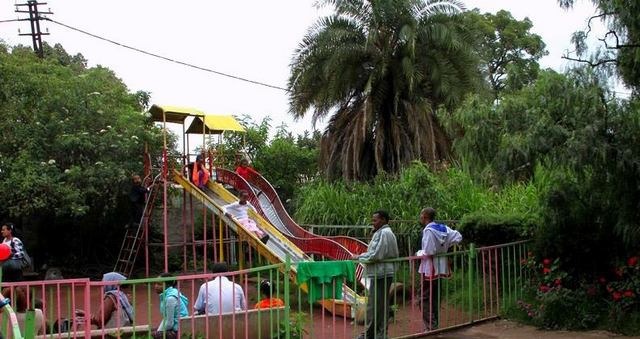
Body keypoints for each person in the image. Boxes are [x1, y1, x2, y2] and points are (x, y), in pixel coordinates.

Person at [352, 210, 399, 339]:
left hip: (382, 273)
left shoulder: (384, 233)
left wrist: (359, 256)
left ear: (383, 220)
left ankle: (376, 334)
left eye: (375, 220)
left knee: (377, 305)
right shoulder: (382, 232)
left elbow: (376, 254)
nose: (373, 223)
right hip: (380, 272)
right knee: (377, 304)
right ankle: (374, 333)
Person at [416, 207, 462, 331]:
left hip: (429, 267)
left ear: (425, 217)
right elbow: (458, 237)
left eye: (421, 215)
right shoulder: (443, 228)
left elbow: (429, 251)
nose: (420, 218)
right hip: (440, 265)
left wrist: (419, 253)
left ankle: (430, 326)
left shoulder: (429, 230)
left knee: (424, 296)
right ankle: (434, 323)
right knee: (434, 295)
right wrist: (445, 247)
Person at [153, 273, 189, 339]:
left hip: (179, 330)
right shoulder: (170, 293)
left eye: (159, 284)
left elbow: (169, 323)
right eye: (155, 283)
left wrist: (158, 332)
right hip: (177, 327)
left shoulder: (170, 298)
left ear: (168, 285)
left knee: (156, 334)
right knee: (155, 331)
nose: (156, 286)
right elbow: (166, 318)